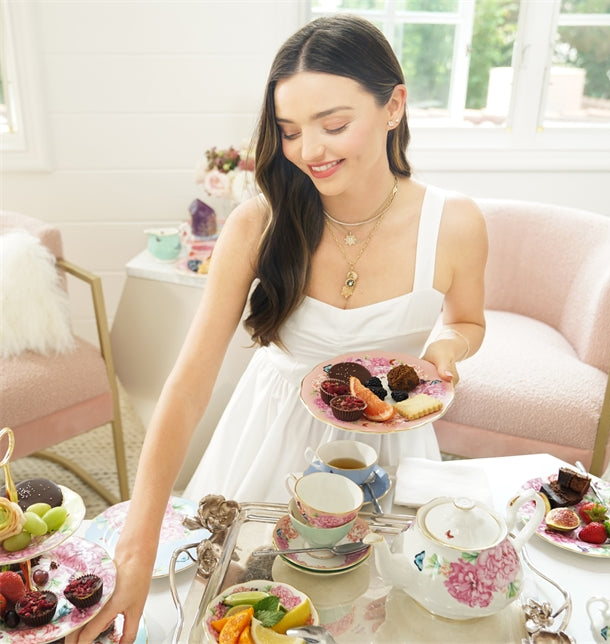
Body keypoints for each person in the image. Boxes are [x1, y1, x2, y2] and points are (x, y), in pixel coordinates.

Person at [72, 13, 487, 643]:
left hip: (389, 449)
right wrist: (138, 544)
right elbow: (185, 389)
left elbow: (466, 319)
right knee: (241, 611)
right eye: (290, 132)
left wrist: (446, 349)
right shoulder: (258, 224)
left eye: (335, 124)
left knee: (376, 617)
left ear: (394, 106)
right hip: (267, 435)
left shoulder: (453, 223)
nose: (309, 151)